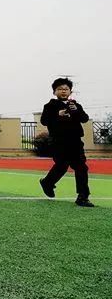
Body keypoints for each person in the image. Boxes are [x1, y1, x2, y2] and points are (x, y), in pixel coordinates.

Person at [39, 78, 94, 207]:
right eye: (60, 89)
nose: (63, 91)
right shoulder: (50, 106)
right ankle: (47, 182)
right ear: (54, 92)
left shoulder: (75, 105)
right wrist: (58, 114)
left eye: (66, 89)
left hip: (75, 141)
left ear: (70, 91)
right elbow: (44, 121)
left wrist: (76, 110)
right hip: (58, 141)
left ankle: (83, 196)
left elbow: (85, 119)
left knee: (81, 167)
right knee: (62, 165)